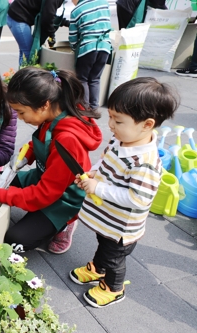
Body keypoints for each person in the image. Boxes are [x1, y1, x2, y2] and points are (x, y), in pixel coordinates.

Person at [70, 77, 178, 307]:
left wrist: (98, 188)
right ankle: (98, 269)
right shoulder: (121, 139)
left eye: (117, 121)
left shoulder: (145, 163)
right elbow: (104, 160)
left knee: (114, 257)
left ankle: (113, 288)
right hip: (109, 219)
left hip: (122, 227)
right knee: (103, 243)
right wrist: (93, 174)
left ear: (147, 125)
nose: (110, 125)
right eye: (110, 117)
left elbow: (136, 199)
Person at [0, 67, 102, 253]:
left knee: (14, 240)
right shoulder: (53, 113)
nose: (19, 117)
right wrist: (25, 156)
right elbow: (43, 139)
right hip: (44, 177)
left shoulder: (68, 141)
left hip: (63, 198)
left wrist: (0, 196)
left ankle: (65, 225)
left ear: (44, 105)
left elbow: (46, 194)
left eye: (21, 112)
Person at [69, 0, 112, 111]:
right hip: (105, 46)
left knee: (82, 79)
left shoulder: (76, 11)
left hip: (88, 48)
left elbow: (73, 37)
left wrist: (74, 48)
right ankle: (94, 108)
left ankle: (84, 107)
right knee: (95, 78)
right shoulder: (103, 2)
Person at [6, 0, 67, 66]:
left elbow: (49, 13)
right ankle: (25, 75)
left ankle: (22, 74)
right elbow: (47, 18)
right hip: (17, 16)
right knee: (29, 55)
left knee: (25, 53)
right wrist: (51, 34)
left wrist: (67, 23)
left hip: (20, 14)